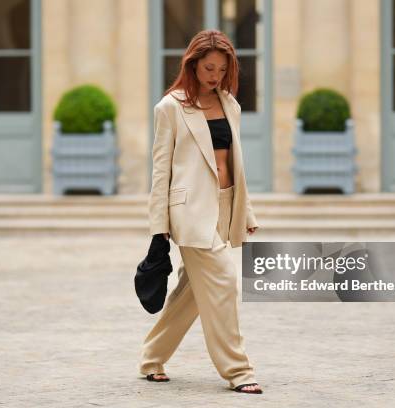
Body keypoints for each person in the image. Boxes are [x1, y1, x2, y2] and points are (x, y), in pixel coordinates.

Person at [137, 29, 262, 394]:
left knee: (191, 295)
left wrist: (247, 212)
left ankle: (151, 357)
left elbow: (236, 165)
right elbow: (161, 170)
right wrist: (158, 224)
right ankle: (239, 371)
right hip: (191, 212)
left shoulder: (229, 104)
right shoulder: (171, 107)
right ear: (192, 64)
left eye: (222, 70)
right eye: (209, 68)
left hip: (225, 206)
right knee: (223, 281)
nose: (215, 76)